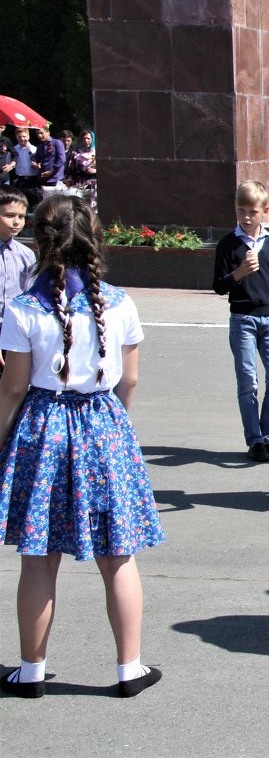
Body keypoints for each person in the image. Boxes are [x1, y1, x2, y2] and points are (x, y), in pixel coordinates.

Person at [0, 195, 165, 698]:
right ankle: (128, 669)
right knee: (118, 555)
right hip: (103, 422)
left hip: (43, 425)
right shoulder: (119, 302)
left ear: (42, 242)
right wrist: (113, 429)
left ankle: (30, 671)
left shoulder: (23, 307)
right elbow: (129, 381)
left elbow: (11, 388)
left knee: (38, 557)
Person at [212, 180, 269, 462]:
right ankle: (255, 439)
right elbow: (219, 286)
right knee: (248, 381)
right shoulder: (228, 245)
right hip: (242, 319)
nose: (246, 217)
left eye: (252, 212)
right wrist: (240, 272)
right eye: (241, 211)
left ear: (265, 211)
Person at [0, 187, 36, 380]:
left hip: (14, 331)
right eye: (9, 215)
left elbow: (29, 295)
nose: (16, 222)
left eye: (21, 216)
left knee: (13, 385)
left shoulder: (26, 254)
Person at [64, 129, 98, 211]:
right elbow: (70, 169)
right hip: (80, 183)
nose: (86, 141)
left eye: (88, 138)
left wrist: (96, 171)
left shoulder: (99, 153)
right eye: (84, 138)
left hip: (96, 184)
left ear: (92, 139)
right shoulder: (76, 153)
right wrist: (68, 181)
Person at [9, 129, 41, 207]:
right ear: (16, 137)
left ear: (28, 136)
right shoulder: (13, 150)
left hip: (34, 180)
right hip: (20, 181)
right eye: (19, 137)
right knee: (20, 204)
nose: (22, 139)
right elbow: (9, 165)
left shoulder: (34, 149)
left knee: (35, 205)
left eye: (24, 136)